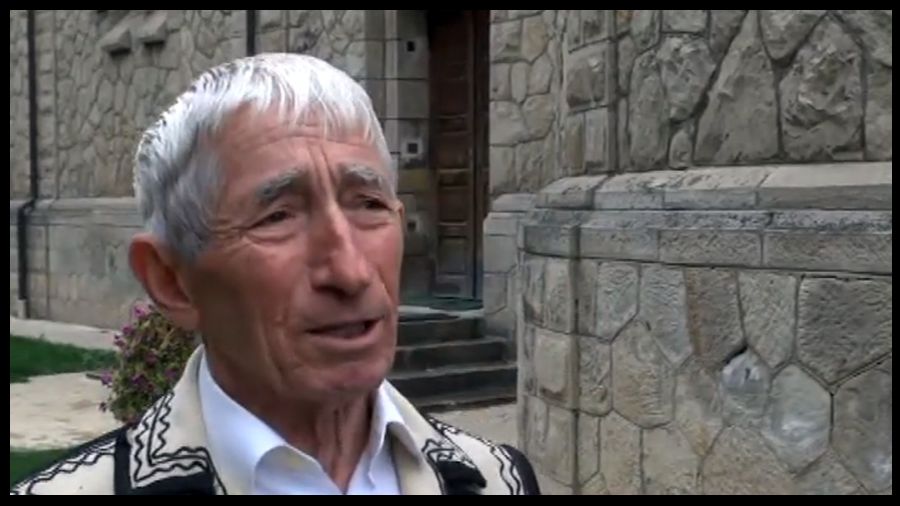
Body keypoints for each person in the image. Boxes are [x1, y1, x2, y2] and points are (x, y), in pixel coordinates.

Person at [10, 53, 541, 496]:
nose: (350, 271)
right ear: (172, 281)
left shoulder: (499, 480)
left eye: (369, 204)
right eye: (278, 217)